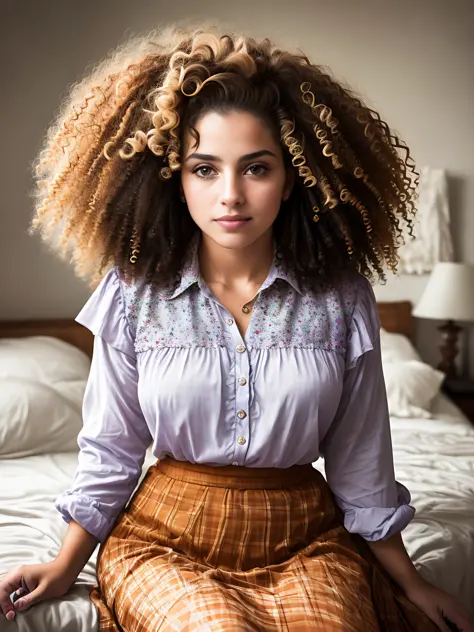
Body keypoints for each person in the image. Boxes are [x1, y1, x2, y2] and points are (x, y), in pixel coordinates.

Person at [0, 25, 471, 632]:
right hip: (166, 538)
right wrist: (65, 565)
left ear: (294, 176)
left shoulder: (341, 299)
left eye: (256, 168)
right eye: (203, 169)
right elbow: (112, 448)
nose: (230, 195)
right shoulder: (133, 294)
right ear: (172, 177)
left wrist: (410, 582)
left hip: (304, 539)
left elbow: (361, 461)